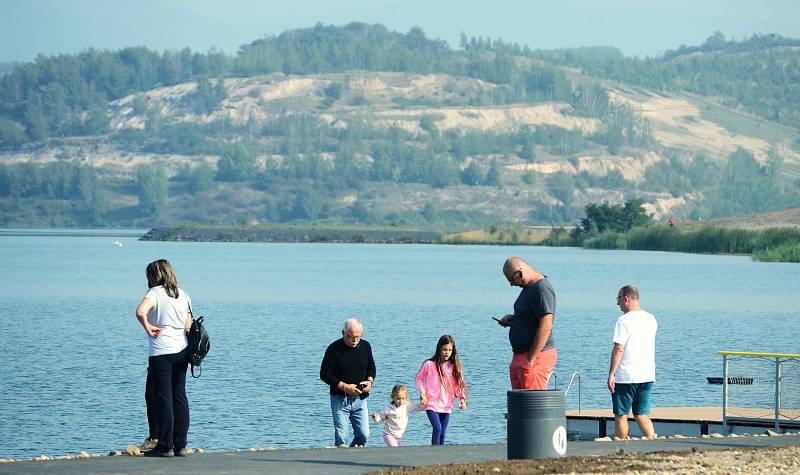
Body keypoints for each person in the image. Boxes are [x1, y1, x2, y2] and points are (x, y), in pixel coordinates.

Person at [134, 259, 192, 457]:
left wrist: (148, 326)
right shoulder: (183, 294)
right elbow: (188, 326)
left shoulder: (155, 293)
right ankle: (181, 445)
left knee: (163, 399)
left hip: (161, 352)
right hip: (182, 350)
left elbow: (140, 311)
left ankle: (165, 446)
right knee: (180, 397)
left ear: (154, 276)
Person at [496, 256, 557, 390]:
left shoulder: (542, 289)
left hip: (536, 356)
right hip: (521, 355)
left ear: (520, 271)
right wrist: (515, 319)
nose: (512, 284)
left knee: (532, 405)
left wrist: (530, 360)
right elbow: (531, 318)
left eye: (512, 280)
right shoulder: (528, 288)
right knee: (519, 406)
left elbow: (546, 327)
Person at [607, 285, 658, 440]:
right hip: (647, 375)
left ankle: (621, 444)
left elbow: (619, 349)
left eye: (618, 299)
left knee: (621, 414)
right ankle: (652, 442)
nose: (618, 304)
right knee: (642, 414)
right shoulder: (651, 319)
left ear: (626, 298)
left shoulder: (623, 321)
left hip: (626, 376)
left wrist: (611, 374)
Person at [320, 319, 376, 447]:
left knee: (364, 434)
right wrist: (344, 386)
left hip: (360, 399)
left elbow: (371, 367)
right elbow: (324, 374)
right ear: (343, 333)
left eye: (358, 336)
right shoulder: (334, 349)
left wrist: (369, 381)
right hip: (340, 399)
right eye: (352, 337)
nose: (355, 340)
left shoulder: (365, 346)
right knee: (342, 437)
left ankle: (352, 456)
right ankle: (340, 462)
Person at [415, 335, 468, 445]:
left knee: (443, 432)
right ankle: (434, 454)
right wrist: (423, 393)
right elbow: (419, 378)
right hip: (431, 403)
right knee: (437, 428)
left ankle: (440, 456)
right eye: (444, 349)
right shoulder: (429, 364)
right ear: (439, 348)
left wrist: (462, 398)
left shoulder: (454, 366)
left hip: (446, 404)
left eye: (449, 350)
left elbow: (458, 385)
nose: (447, 352)